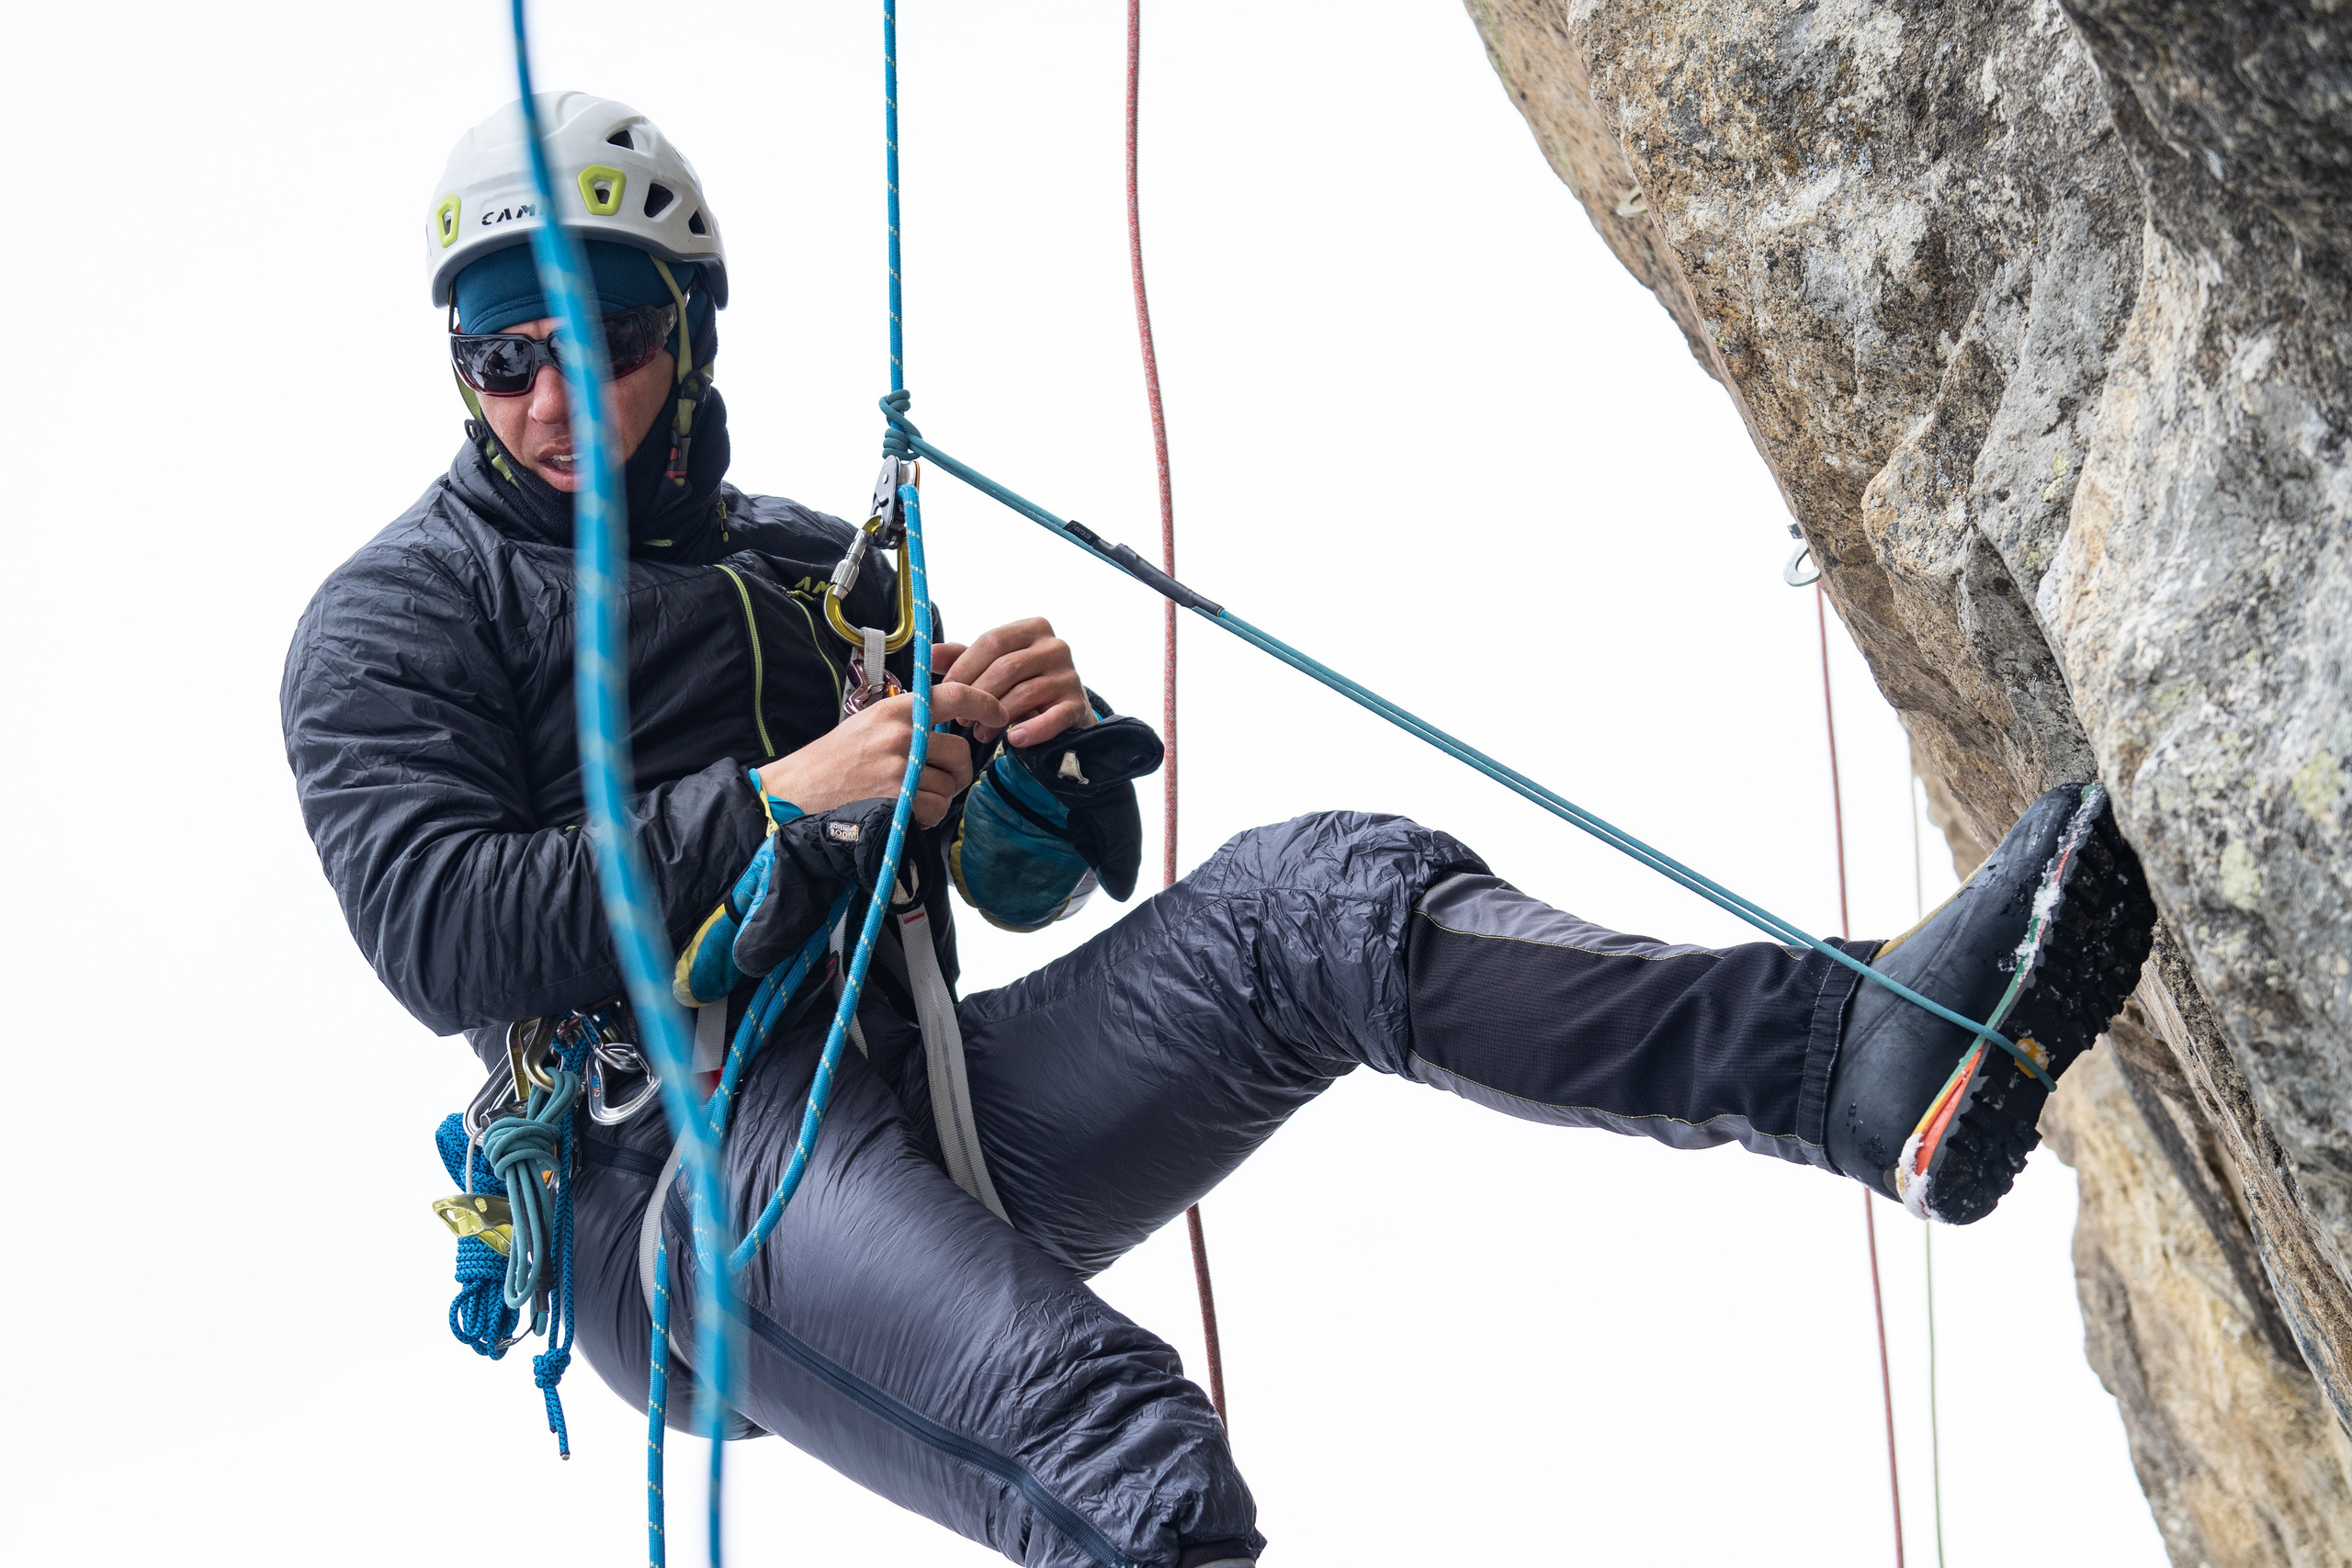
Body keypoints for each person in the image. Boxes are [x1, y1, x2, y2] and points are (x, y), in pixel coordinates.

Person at [282, 93, 2157, 1568]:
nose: (541, 392)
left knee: (1313, 901)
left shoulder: (800, 561)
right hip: (686, 1176)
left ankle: (1851, 1061)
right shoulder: (398, 616)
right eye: (492, 346)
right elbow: (439, 920)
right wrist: (787, 794)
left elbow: (986, 889)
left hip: (917, 1090)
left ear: (681, 332)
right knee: (1119, 1448)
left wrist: (1020, 769)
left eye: (590, 335)